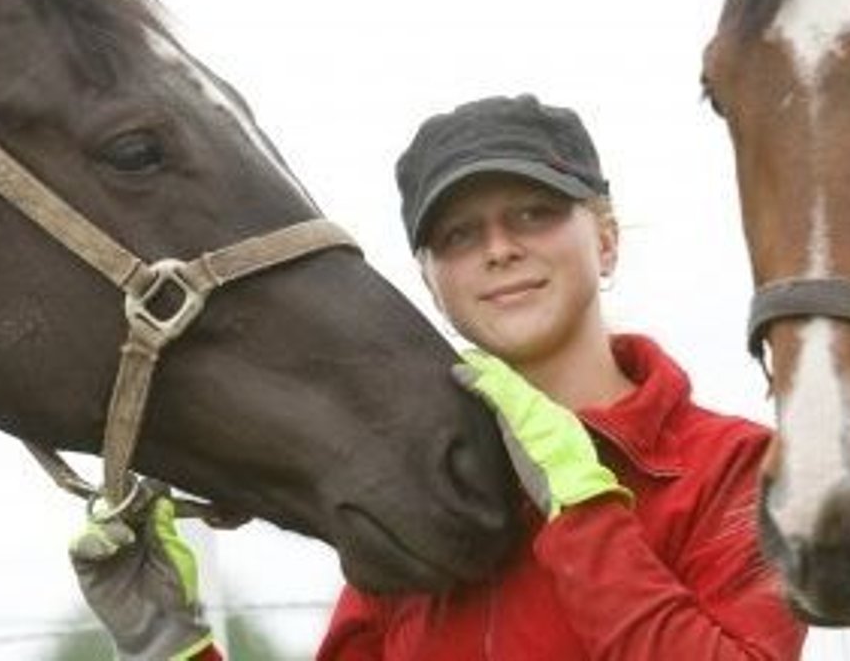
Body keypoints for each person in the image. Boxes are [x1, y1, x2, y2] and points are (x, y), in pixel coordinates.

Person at [69, 94, 807, 660]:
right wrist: (174, 644)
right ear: (430, 279)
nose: (498, 248)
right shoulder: (413, 484)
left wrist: (583, 514)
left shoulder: (737, 468)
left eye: (534, 213)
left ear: (606, 241)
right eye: (458, 234)